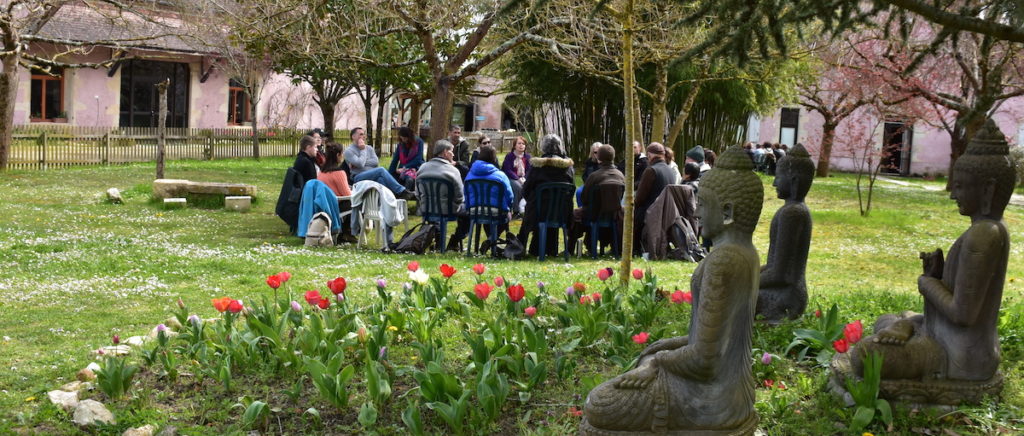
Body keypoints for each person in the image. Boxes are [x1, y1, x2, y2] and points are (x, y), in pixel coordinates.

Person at [582, 145, 763, 435]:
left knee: (599, 402)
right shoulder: (746, 253)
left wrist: (658, 363)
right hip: (734, 396)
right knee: (645, 358)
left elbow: (705, 358)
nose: (696, 211)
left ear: (727, 211)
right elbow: (707, 339)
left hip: (710, 401)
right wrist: (661, 348)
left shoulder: (724, 261)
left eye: (703, 204)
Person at [848, 121, 1015, 389]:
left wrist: (927, 284)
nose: (954, 195)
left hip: (955, 357)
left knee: (864, 355)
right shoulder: (991, 229)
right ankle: (907, 326)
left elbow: (963, 314)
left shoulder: (984, 234)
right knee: (892, 319)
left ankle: (908, 330)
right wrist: (937, 275)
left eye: (960, 186)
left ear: (988, 189)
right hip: (953, 341)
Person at [518, 134, 574, 257]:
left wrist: (534, 200)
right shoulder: (568, 168)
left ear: (543, 147)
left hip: (538, 211)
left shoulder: (538, 167)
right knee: (550, 207)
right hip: (561, 211)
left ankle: (522, 248)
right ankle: (550, 250)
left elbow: (526, 189)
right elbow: (571, 190)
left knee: (536, 207)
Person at [416, 140, 470, 252]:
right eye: (451, 151)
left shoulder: (422, 168)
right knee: (469, 212)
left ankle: (437, 240)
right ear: (445, 152)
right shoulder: (453, 171)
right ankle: (455, 241)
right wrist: (458, 203)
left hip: (427, 209)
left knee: (437, 209)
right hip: (448, 210)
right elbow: (460, 195)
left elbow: (417, 193)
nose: (453, 154)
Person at [572, 144, 625, 256]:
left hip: (594, 215)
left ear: (599, 158)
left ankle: (570, 249)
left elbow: (584, 198)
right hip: (614, 215)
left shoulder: (594, 176)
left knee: (574, 215)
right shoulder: (620, 176)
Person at [344, 127, 415, 200]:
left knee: (381, 180)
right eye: (361, 134)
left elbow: (375, 162)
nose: (364, 136)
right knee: (381, 170)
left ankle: (390, 200)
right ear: (353, 136)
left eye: (364, 134)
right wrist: (362, 150)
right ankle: (401, 191)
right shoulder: (349, 151)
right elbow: (360, 164)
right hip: (358, 177)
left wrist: (360, 162)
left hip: (373, 175)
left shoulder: (369, 148)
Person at [634, 143, 677, 254]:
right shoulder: (670, 170)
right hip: (666, 212)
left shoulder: (651, 171)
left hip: (649, 212)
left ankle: (632, 249)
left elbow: (639, 199)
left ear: (649, 155)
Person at [465, 144, 515, 238]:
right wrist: (509, 208)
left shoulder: (469, 175)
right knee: (505, 216)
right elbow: (510, 196)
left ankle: (490, 240)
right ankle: (492, 239)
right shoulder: (500, 175)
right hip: (497, 211)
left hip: (474, 210)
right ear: (494, 157)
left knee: (488, 213)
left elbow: (466, 193)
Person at [501, 136, 532, 215]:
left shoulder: (528, 157)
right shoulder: (509, 156)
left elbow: (529, 170)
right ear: (515, 145)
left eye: (523, 144)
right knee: (517, 187)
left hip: (524, 178)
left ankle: (526, 209)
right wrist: (518, 178)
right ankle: (516, 211)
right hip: (511, 178)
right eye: (519, 143)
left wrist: (524, 178)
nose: (521, 145)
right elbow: (508, 170)